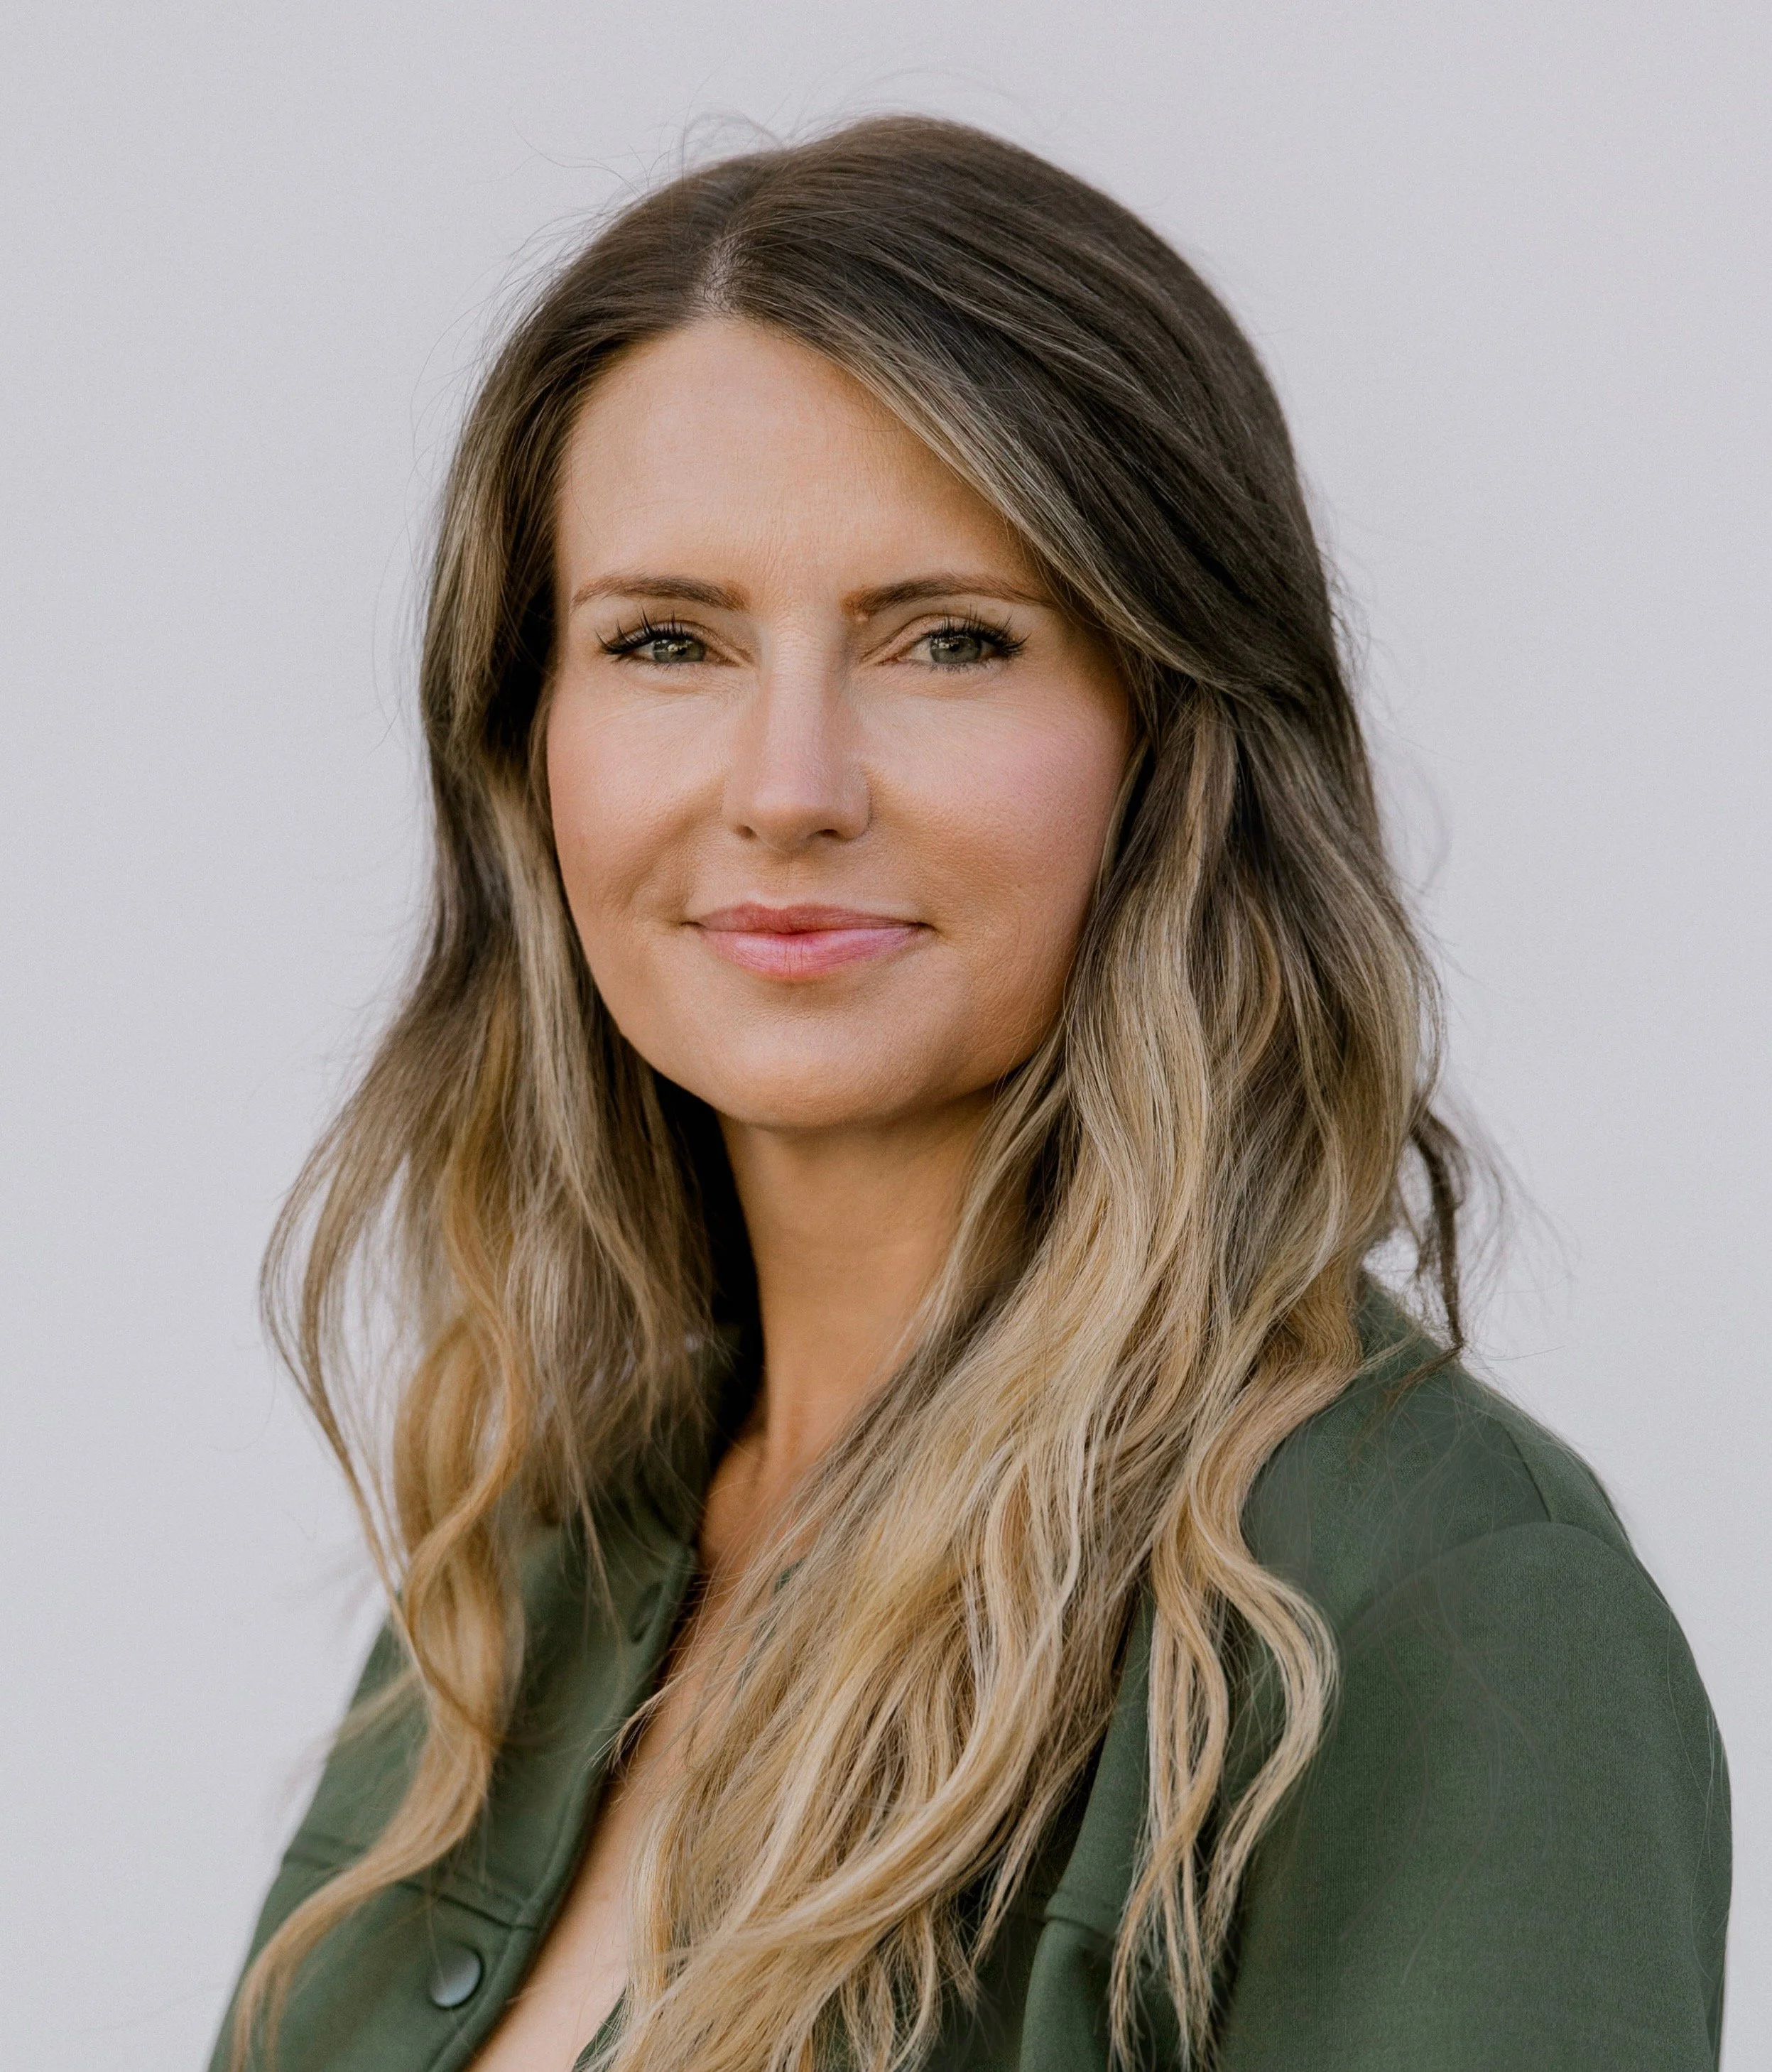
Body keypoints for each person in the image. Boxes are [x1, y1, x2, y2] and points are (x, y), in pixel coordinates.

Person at [210, 116, 1729, 2072]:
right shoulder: (539, 1566)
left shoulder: (1427, 1603)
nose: (786, 782)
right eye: (664, 639)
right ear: (529, 741)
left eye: (948, 639)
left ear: (1170, 735)